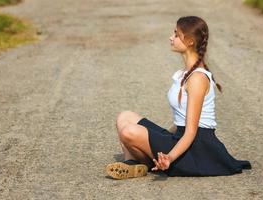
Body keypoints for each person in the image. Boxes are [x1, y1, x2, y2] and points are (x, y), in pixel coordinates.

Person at [106, 16, 252, 180]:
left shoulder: (197, 78)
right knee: (124, 117)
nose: (171, 37)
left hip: (197, 149)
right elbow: (181, 122)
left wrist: (169, 157)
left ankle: (144, 162)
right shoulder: (184, 73)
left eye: (176, 34)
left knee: (129, 132)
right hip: (179, 137)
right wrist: (160, 137)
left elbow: (191, 131)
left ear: (189, 41)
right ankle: (133, 164)